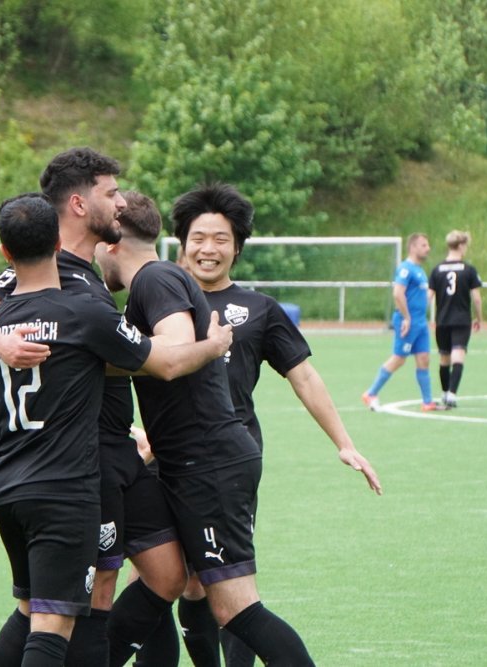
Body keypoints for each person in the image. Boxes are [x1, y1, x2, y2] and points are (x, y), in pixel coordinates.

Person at [0, 195, 232, 667]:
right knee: (54, 624)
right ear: (57, 243)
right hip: (65, 486)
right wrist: (212, 347)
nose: (118, 199)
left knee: (34, 609)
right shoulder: (83, 313)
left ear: (4, 253)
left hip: (7, 484)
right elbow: (165, 362)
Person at [127, 184, 381, 667]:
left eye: (221, 239)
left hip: (221, 463)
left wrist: (344, 443)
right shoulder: (151, 298)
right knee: (157, 577)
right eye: (198, 238)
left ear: (238, 247)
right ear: (181, 243)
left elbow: (303, 375)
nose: (208, 249)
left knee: (217, 585)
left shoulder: (259, 309)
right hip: (161, 458)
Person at [94, 191, 319, 667]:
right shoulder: (155, 283)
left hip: (210, 463)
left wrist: (208, 348)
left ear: (111, 243)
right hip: (186, 461)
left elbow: (172, 356)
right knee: (161, 578)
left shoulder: (154, 278)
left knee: (235, 607)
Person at [362, 232, 443, 412]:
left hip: (420, 323)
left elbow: (422, 297)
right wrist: (406, 317)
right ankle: (371, 393)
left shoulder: (420, 270)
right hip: (409, 322)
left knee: (424, 359)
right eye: (424, 245)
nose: (428, 248)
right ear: (413, 247)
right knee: (399, 359)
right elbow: (398, 294)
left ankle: (427, 402)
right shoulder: (406, 269)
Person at [428, 230, 483, 407]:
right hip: (461, 320)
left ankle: (444, 393)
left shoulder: (437, 269)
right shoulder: (468, 270)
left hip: (442, 320)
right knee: (458, 355)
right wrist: (479, 318)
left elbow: (428, 297)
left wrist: (423, 317)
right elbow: (476, 298)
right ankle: (452, 394)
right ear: (461, 246)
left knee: (444, 358)